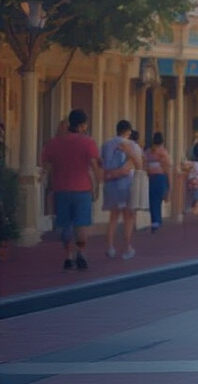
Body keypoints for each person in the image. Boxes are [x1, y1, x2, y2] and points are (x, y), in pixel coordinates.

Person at [40, 109, 101, 272]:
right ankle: (81, 252)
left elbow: (45, 164)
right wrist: (98, 186)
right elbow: (95, 167)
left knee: (66, 225)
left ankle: (68, 256)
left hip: (61, 188)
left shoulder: (54, 143)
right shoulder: (89, 143)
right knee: (81, 225)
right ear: (81, 125)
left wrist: (45, 181)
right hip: (82, 189)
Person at [101, 120, 142, 259]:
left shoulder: (106, 145)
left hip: (110, 185)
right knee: (128, 217)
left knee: (113, 216)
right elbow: (135, 165)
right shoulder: (131, 145)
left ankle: (109, 246)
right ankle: (127, 247)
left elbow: (102, 163)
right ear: (128, 132)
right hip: (125, 185)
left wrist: (109, 175)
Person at [144, 132, 171, 233]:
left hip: (151, 177)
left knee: (152, 199)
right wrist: (169, 184)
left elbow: (145, 165)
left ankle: (154, 220)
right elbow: (167, 168)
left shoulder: (148, 152)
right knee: (159, 199)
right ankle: (157, 220)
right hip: (160, 176)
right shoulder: (163, 152)